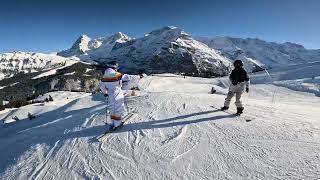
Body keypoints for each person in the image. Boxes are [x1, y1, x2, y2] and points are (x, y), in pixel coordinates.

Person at [99, 61, 142, 129]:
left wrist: (105, 93)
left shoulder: (104, 77)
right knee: (118, 108)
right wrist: (139, 76)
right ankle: (117, 124)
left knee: (112, 108)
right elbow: (128, 77)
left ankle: (113, 123)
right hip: (117, 92)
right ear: (114, 67)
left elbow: (101, 87)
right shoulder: (116, 74)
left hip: (110, 94)